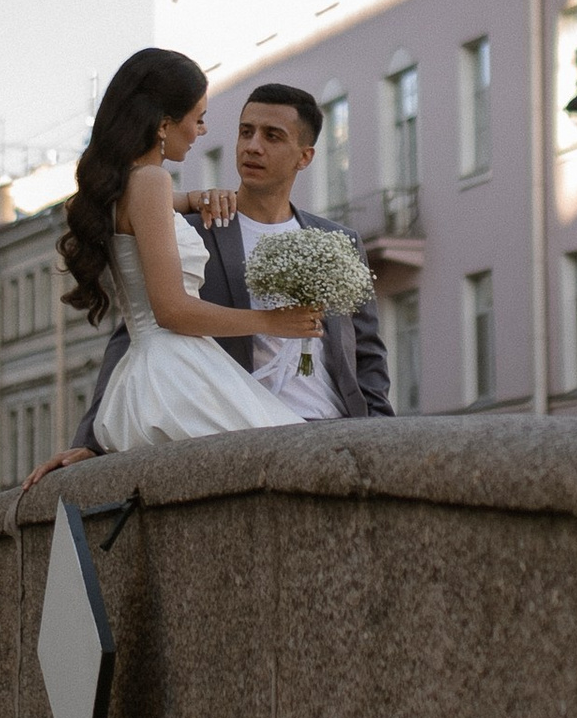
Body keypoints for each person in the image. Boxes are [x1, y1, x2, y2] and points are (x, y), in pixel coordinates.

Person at [65, 75, 392, 457]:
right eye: (245, 132)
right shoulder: (192, 233)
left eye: (272, 136)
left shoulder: (340, 241)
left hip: (334, 429)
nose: (252, 147)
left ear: (304, 157)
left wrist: (381, 435)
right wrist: (89, 441)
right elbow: (136, 334)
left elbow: (367, 355)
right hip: (237, 427)